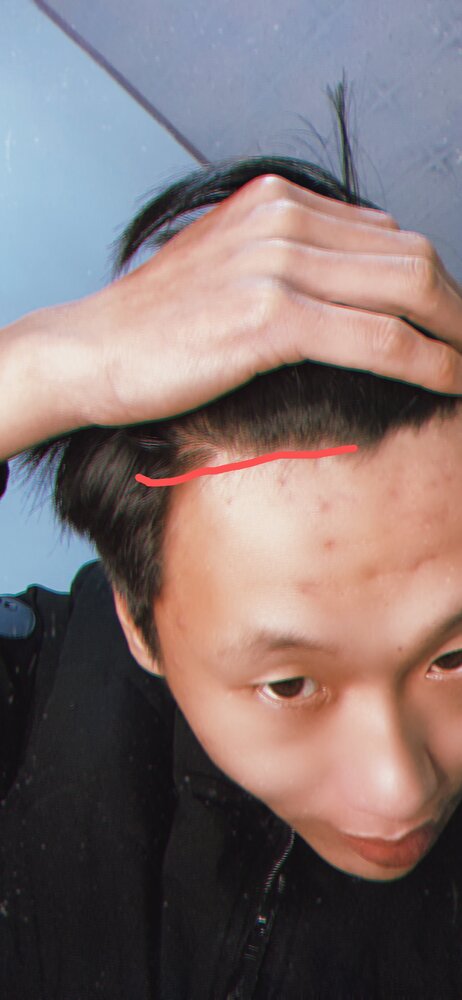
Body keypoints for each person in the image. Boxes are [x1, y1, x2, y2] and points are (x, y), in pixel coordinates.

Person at [2, 100, 462, 999]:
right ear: (139, 618)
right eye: (288, 685)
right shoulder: (30, 711)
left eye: (455, 656)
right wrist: (40, 366)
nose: (399, 788)